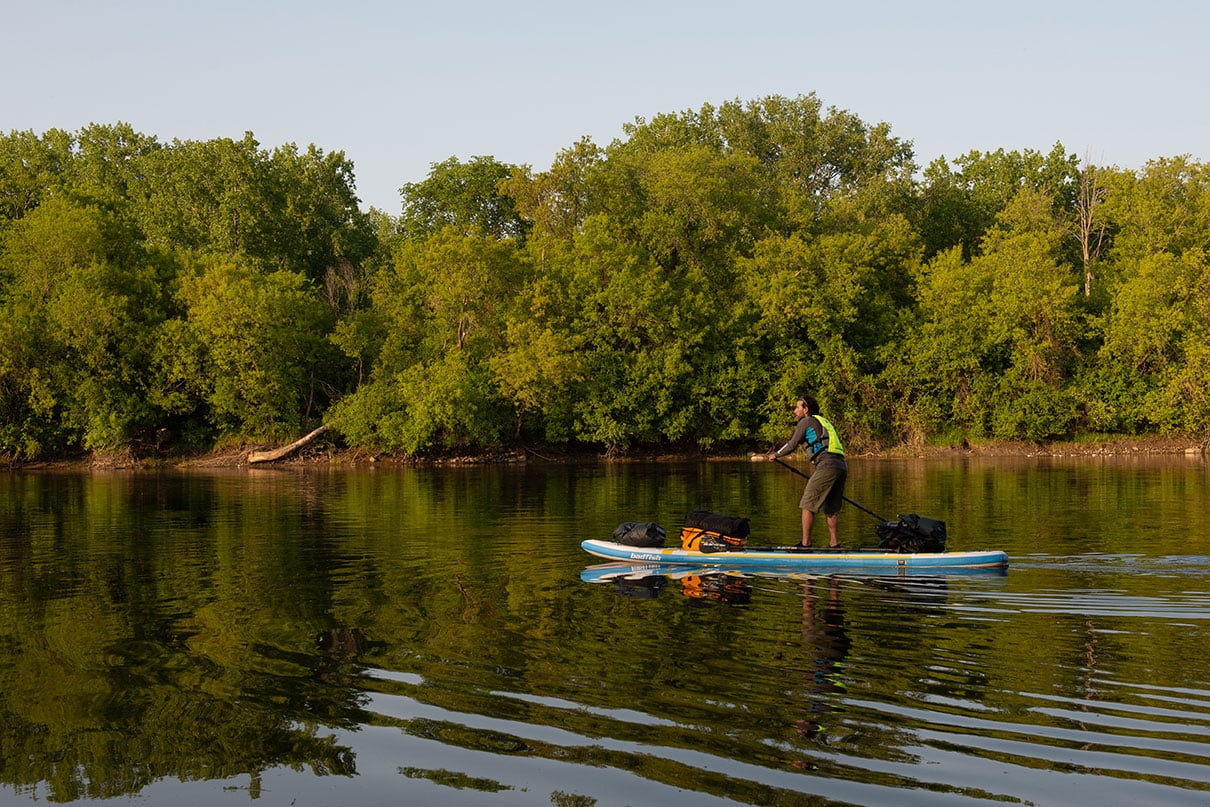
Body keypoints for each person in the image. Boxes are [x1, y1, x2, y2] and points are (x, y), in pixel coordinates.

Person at [766, 395, 847, 547]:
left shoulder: (806, 421)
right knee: (831, 508)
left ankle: (805, 545)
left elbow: (792, 444)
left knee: (807, 504)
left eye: (797, 407)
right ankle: (834, 545)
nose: (794, 411)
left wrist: (775, 455)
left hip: (827, 466)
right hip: (841, 466)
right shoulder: (823, 421)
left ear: (806, 409)